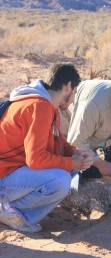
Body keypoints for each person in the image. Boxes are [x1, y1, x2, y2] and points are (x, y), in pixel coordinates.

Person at [0, 63, 94, 233]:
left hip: (13, 172)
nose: (73, 99)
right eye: (74, 92)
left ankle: (14, 208)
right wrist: (71, 164)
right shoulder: (39, 106)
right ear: (68, 86)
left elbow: (57, 142)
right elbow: (36, 159)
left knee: (68, 171)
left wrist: (75, 153)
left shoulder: (47, 106)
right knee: (60, 180)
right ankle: (12, 213)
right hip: (4, 177)